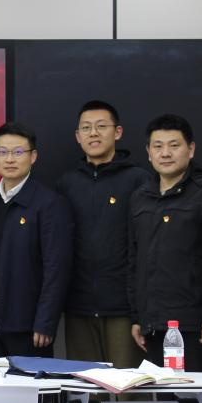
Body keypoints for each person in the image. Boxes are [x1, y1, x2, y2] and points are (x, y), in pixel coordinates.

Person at [127, 114, 202, 403]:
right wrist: (137, 317)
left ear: (191, 149)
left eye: (174, 145)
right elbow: (134, 259)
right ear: (148, 152)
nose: (165, 153)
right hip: (155, 326)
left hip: (195, 327)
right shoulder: (140, 197)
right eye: (158, 146)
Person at [56, 100, 149, 368]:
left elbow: (145, 246)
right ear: (78, 136)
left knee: (128, 385)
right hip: (79, 307)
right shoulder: (67, 183)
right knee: (84, 387)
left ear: (117, 132)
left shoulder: (138, 180)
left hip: (123, 309)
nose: (93, 133)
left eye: (101, 126)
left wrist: (139, 310)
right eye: (86, 128)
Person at [0, 121, 73, 359]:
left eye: (18, 152)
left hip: (28, 322)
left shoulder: (50, 204)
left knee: (29, 381)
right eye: (3, 152)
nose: (10, 159)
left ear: (33, 156)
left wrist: (46, 321)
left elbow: (56, 269)